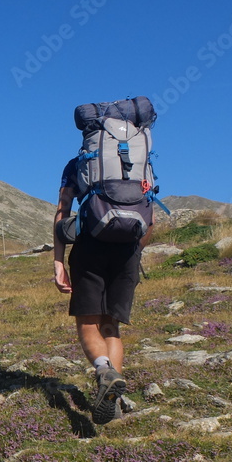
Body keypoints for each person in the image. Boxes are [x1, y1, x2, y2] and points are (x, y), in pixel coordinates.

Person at [53, 157, 152, 424]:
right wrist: (134, 253)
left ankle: (104, 372)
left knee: (88, 323)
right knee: (111, 326)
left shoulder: (78, 164)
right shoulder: (140, 161)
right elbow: (150, 215)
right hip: (127, 251)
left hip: (90, 248)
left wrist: (58, 261)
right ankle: (114, 399)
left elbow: (63, 210)